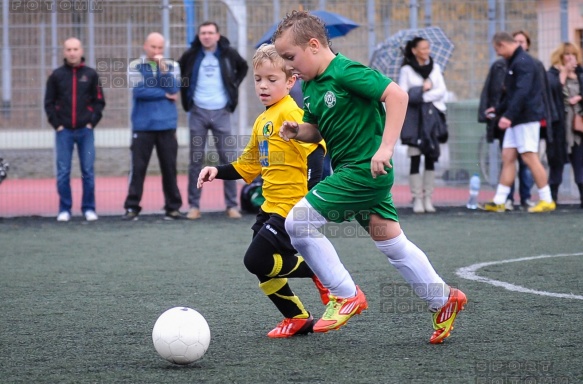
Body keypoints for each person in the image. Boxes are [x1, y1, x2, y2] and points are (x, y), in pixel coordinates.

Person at [273, 10, 467, 344]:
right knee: (392, 243)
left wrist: (386, 147)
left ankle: (344, 294)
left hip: (365, 170)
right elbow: (318, 129)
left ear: (314, 45)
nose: (289, 66)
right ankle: (444, 298)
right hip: (358, 173)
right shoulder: (311, 85)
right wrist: (299, 130)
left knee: (297, 224)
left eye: (291, 57)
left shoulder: (346, 72)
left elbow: (398, 95)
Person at [197, 44, 328, 338]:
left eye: (272, 79)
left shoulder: (292, 113)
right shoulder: (262, 121)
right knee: (261, 268)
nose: (263, 86)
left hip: (291, 208)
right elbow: (248, 166)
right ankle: (296, 317)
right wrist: (217, 171)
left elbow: (316, 153)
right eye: (258, 79)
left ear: (291, 80)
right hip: (270, 206)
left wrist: (310, 198)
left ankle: (319, 269)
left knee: (255, 260)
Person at [178, 21, 249, 220]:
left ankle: (231, 205)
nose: (207, 36)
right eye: (203, 33)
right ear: (199, 36)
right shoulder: (191, 55)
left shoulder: (228, 53)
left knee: (228, 159)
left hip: (222, 112)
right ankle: (194, 206)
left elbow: (243, 67)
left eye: (210, 33)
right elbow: (181, 73)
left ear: (218, 35)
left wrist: (232, 86)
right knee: (195, 160)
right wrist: (188, 97)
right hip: (198, 112)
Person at [482, 32, 555, 213]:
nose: (498, 54)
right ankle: (499, 200)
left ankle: (547, 199)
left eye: (497, 49)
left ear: (502, 45)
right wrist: (498, 110)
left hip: (526, 119)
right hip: (518, 119)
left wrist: (508, 116)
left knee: (530, 157)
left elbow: (522, 92)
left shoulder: (523, 61)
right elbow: (513, 94)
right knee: (508, 157)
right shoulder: (515, 61)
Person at [122, 32, 183, 221]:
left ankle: (172, 208)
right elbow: (139, 91)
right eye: (153, 47)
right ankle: (132, 207)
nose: (157, 51)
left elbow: (173, 89)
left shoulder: (172, 66)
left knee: (169, 168)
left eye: (160, 48)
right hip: (143, 126)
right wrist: (163, 94)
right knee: (138, 168)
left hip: (167, 125)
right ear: (145, 46)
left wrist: (163, 70)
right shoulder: (135, 66)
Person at [44, 37, 105, 222]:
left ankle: (89, 208)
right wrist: (58, 125)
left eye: (75, 49)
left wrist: (91, 122)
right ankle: (65, 209)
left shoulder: (91, 75)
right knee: (63, 172)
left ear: (81, 51)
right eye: (68, 49)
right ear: (64, 52)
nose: (72, 52)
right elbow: (48, 103)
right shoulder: (56, 76)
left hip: (85, 132)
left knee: (88, 171)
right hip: (64, 132)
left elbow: (100, 101)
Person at [398, 37, 448, 213]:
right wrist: (423, 89)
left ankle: (428, 198)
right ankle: (417, 198)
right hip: (414, 121)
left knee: (431, 157)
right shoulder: (406, 70)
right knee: (415, 157)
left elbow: (442, 91)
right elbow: (403, 94)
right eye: (423, 48)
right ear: (414, 51)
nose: (427, 51)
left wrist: (422, 96)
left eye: (428, 48)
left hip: (431, 119)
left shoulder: (435, 68)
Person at [546, 42, 583, 207]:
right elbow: (552, 90)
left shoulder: (581, 74)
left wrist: (579, 98)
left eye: (573, 54)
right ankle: (552, 198)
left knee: (580, 162)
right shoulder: (553, 74)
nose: (570, 58)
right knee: (556, 164)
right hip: (559, 127)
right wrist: (564, 73)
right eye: (566, 54)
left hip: (578, 127)